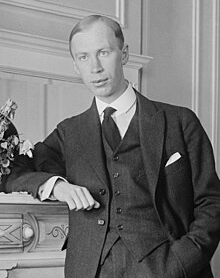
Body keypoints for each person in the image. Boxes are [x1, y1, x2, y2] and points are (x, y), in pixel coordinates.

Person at [5, 15, 220, 278]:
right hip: (91, 269)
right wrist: (56, 186)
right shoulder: (68, 133)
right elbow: (12, 172)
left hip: (168, 267)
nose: (94, 67)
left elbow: (212, 202)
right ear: (75, 65)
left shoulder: (179, 121)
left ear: (124, 54)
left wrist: (181, 262)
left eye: (103, 53)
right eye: (83, 57)